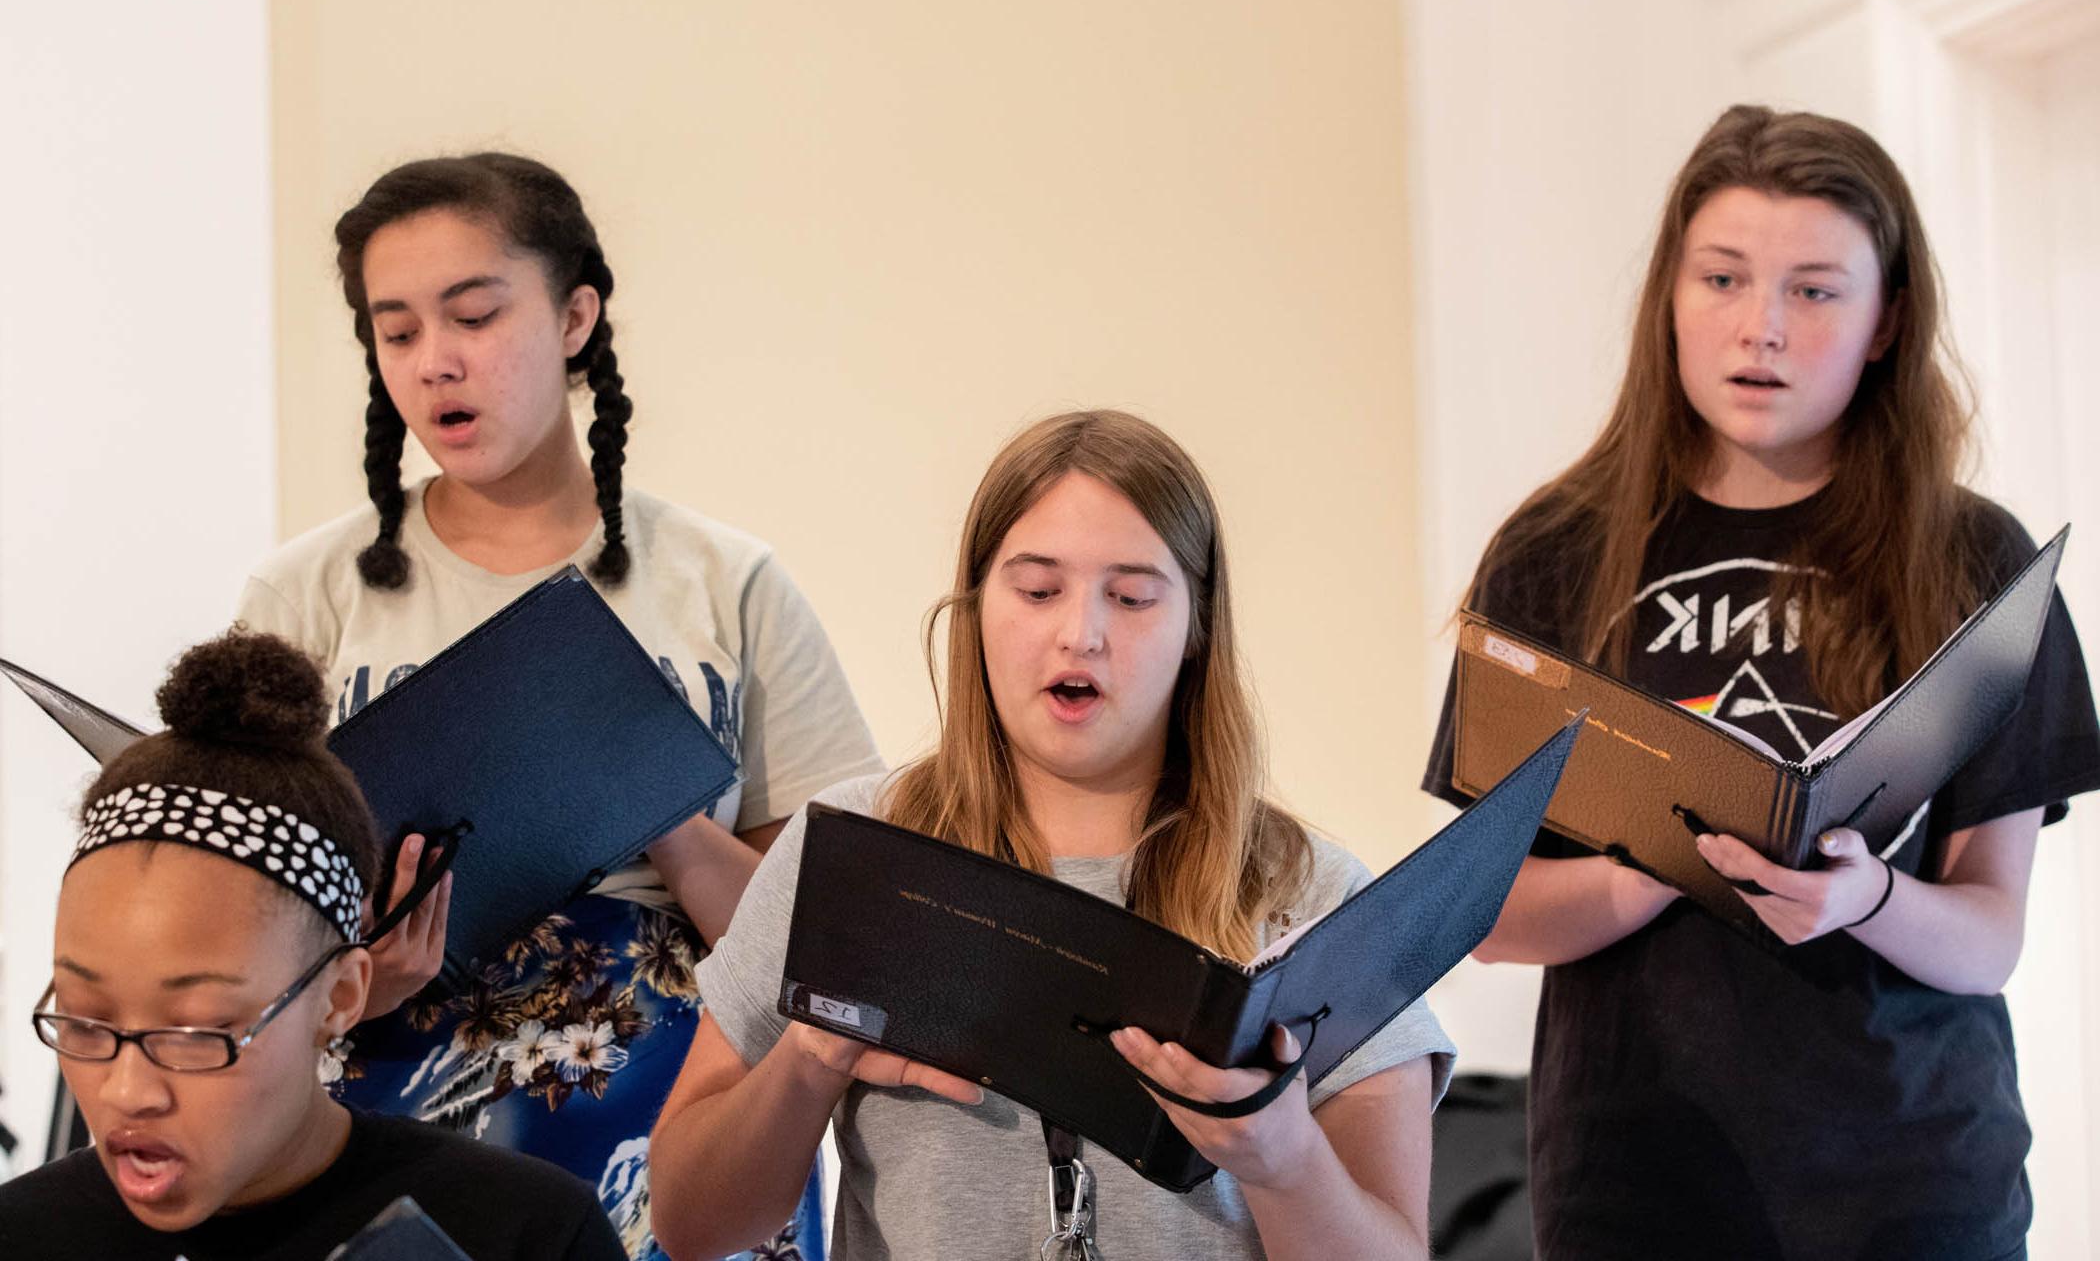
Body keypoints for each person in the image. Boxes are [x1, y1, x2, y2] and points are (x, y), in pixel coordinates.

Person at [1423, 105, 2100, 1261]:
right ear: (1670, 299)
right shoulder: (1556, 549)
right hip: (1635, 1186)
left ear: (1887, 319)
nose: (1762, 329)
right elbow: (1486, 915)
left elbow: (1990, 933)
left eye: (1816, 291)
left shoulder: (1974, 557)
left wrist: (1864, 898)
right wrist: (1662, 867)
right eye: (1724, 278)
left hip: (1916, 1188)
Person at [237, 153, 882, 1259]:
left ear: (577, 315)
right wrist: (353, 978)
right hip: (384, 1100)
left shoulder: (726, 583)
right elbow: (235, 923)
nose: (436, 362)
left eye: (475, 316)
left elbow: (831, 953)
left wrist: (660, 810)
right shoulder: (308, 593)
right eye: (396, 333)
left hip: (677, 1123)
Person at [649, 409, 1454, 1261]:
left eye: (1133, 596)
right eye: (1037, 590)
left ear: (1197, 627)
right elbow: (691, 1225)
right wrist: (812, 1057)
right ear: (976, 607)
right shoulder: (857, 852)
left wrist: (1284, 1161)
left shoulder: (1314, 898)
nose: (1081, 634)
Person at [0, 631, 628, 1259]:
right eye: (83, 1020)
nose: (126, 1092)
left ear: (339, 996)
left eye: (196, 1032)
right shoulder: (24, 1235)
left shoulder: (527, 1233)